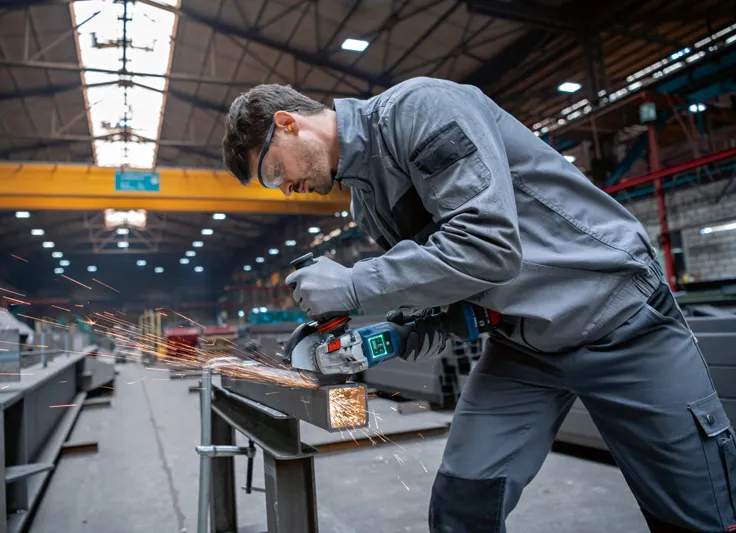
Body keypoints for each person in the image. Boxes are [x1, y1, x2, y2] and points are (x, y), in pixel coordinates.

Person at [221, 77, 736, 532]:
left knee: (696, 513)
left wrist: (355, 285)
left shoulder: (417, 110)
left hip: (618, 317)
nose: (285, 189)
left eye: (271, 172)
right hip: (524, 347)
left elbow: (488, 247)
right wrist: (397, 335)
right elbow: (457, 287)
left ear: (287, 124)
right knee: (462, 505)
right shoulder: (367, 201)